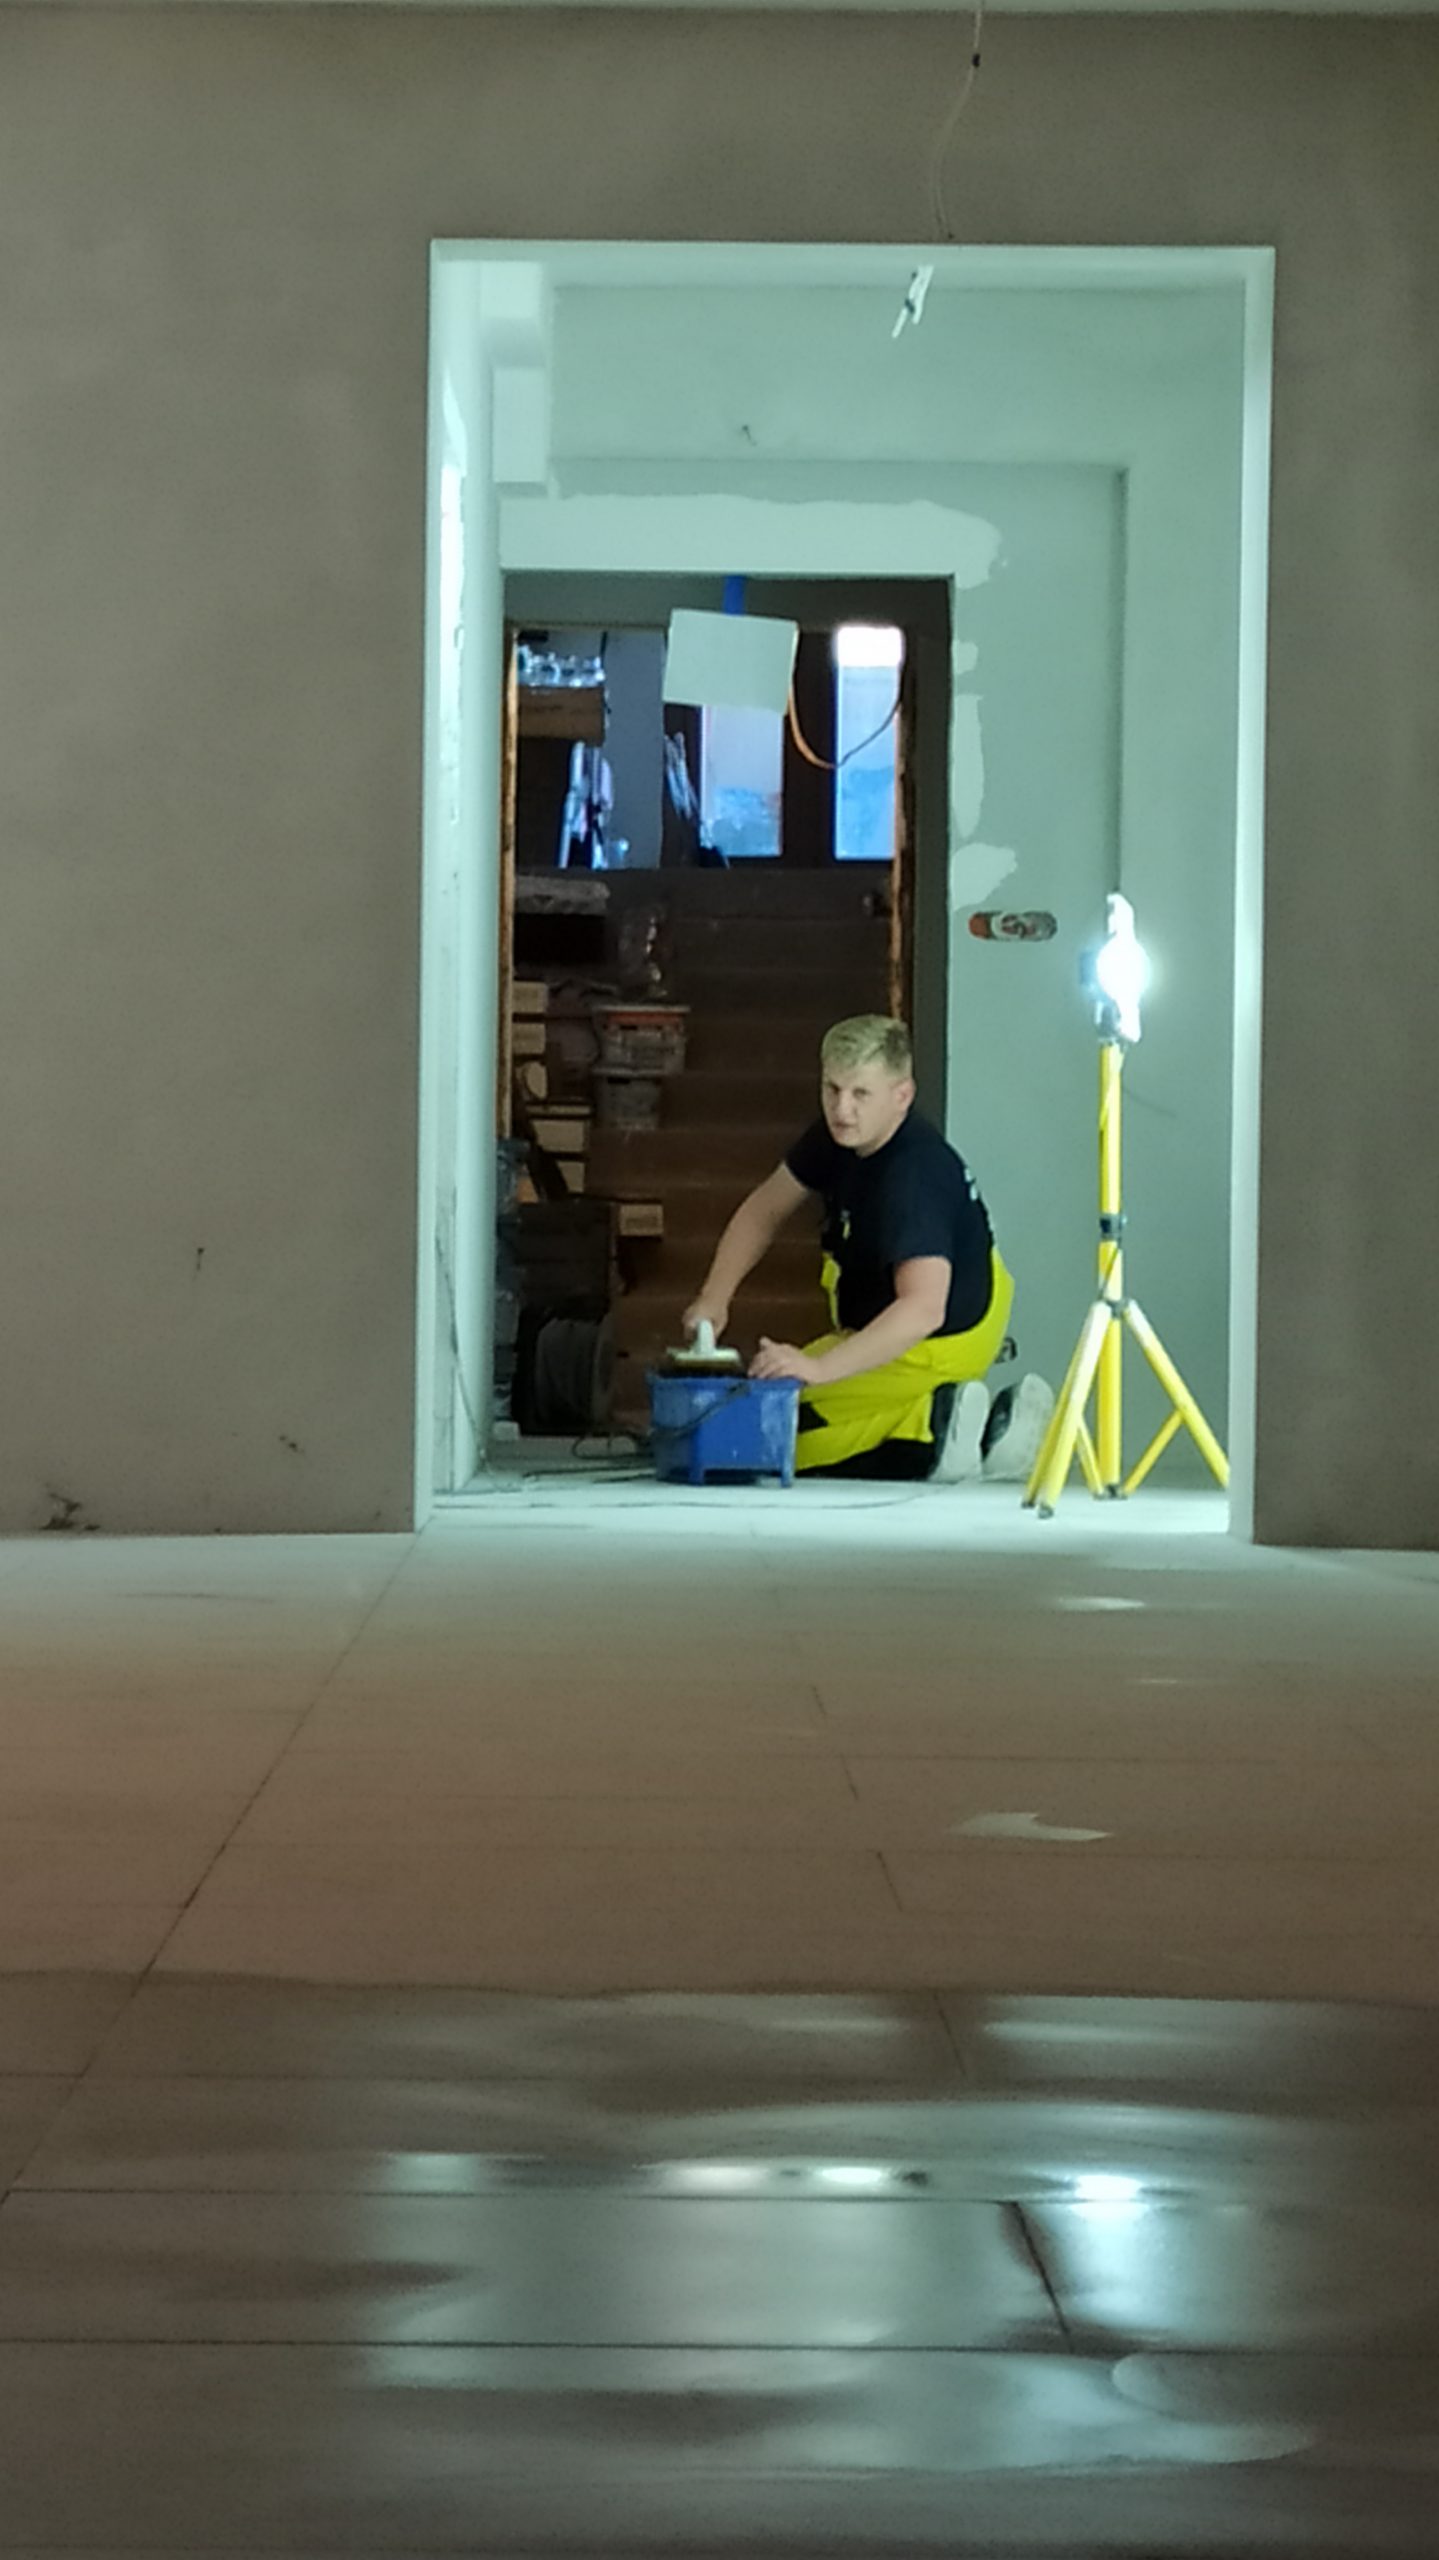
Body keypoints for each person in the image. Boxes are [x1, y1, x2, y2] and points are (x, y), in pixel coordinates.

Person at [683, 1015, 1017, 1480]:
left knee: (778, 1431)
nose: (842, 1110)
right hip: (893, 1317)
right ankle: (954, 1416)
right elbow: (765, 1210)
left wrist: (818, 1368)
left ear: (902, 1096)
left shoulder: (912, 1178)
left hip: (937, 1336)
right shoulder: (842, 1136)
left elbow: (923, 1309)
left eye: (861, 1094)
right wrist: (714, 1297)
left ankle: (933, 1424)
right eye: (832, 1089)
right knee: (766, 1398)